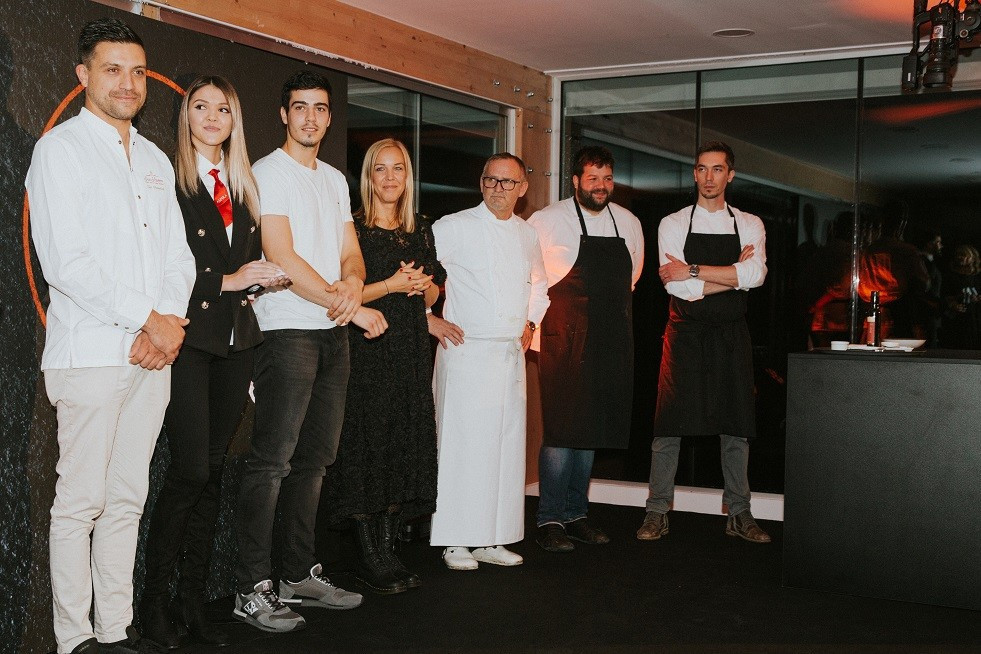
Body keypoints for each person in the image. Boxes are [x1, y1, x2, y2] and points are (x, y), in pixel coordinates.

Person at [26, 18, 195, 654]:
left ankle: (114, 631)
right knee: (80, 504)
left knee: (127, 500)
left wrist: (166, 326)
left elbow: (179, 258)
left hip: (152, 356)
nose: (128, 83)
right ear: (83, 76)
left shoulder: (154, 158)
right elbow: (65, 263)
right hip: (90, 355)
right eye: (112, 70)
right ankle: (73, 639)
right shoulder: (60, 150)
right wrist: (148, 319)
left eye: (137, 72)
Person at [232, 70, 387, 633]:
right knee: (271, 463)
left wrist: (353, 285)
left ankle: (297, 575)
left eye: (320, 108)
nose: (311, 117)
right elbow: (281, 255)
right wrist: (351, 308)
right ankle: (251, 588)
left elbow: (351, 251)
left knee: (315, 462)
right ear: (283, 114)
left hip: (330, 332)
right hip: (287, 331)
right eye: (300, 107)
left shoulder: (335, 179)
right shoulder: (267, 172)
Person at [138, 75, 289, 648]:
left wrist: (258, 279)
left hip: (236, 343)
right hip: (188, 341)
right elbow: (160, 266)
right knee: (190, 473)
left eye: (222, 109)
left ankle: (193, 600)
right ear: (185, 117)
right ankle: (154, 603)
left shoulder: (245, 187)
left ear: (234, 120)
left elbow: (243, 266)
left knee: (214, 474)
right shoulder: (167, 182)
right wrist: (230, 279)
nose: (210, 117)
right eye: (199, 106)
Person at [324, 138, 445, 594]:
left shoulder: (421, 229)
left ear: (407, 176)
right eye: (381, 169)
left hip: (411, 350)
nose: (390, 177)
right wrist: (392, 285)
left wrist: (422, 286)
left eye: (398, 169)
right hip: (367, 348)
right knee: (366, 445)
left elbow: (434, 293)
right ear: (368, 177)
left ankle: (388, 549)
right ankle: (369, 556)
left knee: (402, 443)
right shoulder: (352, 228)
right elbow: (343, 293)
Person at [638, 141, 771, 544]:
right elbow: (679, 289)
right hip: (685, 333)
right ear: (694, 173)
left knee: (736, 426)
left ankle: (740, 513)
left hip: (731, 335)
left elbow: (757, 276)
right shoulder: (673, 222)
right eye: (701, 169)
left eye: (717, 169)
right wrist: (734, 275)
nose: (708, 177)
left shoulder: (749, 223)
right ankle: (656, 511)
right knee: (668, 426)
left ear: (730, 175)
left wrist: (694, 270)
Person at [429, 153, 550, 570]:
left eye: (508, 182)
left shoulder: (527, 235)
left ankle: (492, 537)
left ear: (522, 189)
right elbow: (415, 275)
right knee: (461, 448)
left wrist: (531, 322)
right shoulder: (453, 226)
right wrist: (428, 319)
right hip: (466, 351)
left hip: (509, 356)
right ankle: (454, 540)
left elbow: (540, 284)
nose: (499, 189)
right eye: (491, 180)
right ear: (481, 183)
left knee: (504, 449)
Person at [528, 146, 644, 552]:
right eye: (592, 178)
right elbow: (529, 280)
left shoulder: (628, 222)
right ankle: (550, 519)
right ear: (575, 181)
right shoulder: (546, 221)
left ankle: (577, 515)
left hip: (609, 341)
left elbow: (632, 278)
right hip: (562, 339)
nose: (601, 186)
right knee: (562, 431)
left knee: (590, 430)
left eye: (607, 178)